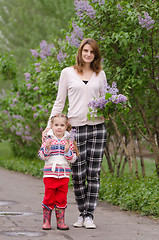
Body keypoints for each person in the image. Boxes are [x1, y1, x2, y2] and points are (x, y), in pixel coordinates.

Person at [42, 38, 107, 229]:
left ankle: (89, 216)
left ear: (95, 55)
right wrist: (49, 126)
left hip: (98, 127)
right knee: (78, 173)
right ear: (80, 52)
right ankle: (80, 212)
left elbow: (105, 100)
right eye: (85, 51)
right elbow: (59, 102)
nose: (88, 54)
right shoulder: (67, 73)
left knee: (94, 173)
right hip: (76, 129)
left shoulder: (100, 74)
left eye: (92, 52)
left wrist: (112, 109)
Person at [38, 114, 78, 230]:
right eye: (56, 125)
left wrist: (67, 152)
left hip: (64, 175)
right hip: (50, 174)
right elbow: (42, 156)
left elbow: (73, 159)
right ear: (52, 126)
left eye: (62, 125)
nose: (59, 127)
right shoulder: (47, 140)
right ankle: (46, 221)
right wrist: (47, 148)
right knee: (49, 197)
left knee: (61, 198)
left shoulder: (68, 142)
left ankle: (61, 222)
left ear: (66, 127)